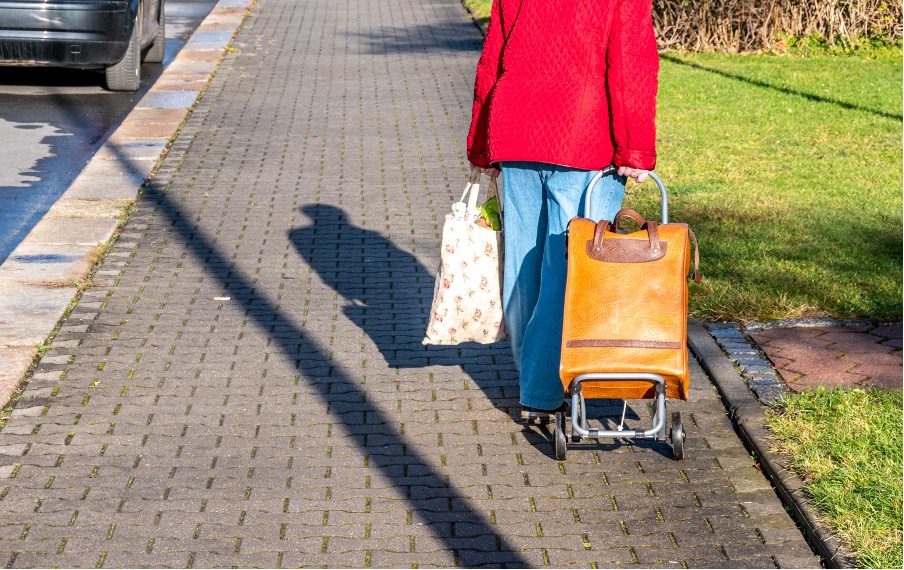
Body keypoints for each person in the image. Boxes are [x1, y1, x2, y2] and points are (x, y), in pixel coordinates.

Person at [466, 0, 660, 423]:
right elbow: (631, 66)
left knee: (525, 262)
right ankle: (541, 390)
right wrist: (635, 148)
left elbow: (493, 55)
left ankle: (533, 379)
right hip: (582, 134)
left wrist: (482, 142)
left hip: (515, 124)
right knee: (570, 268)